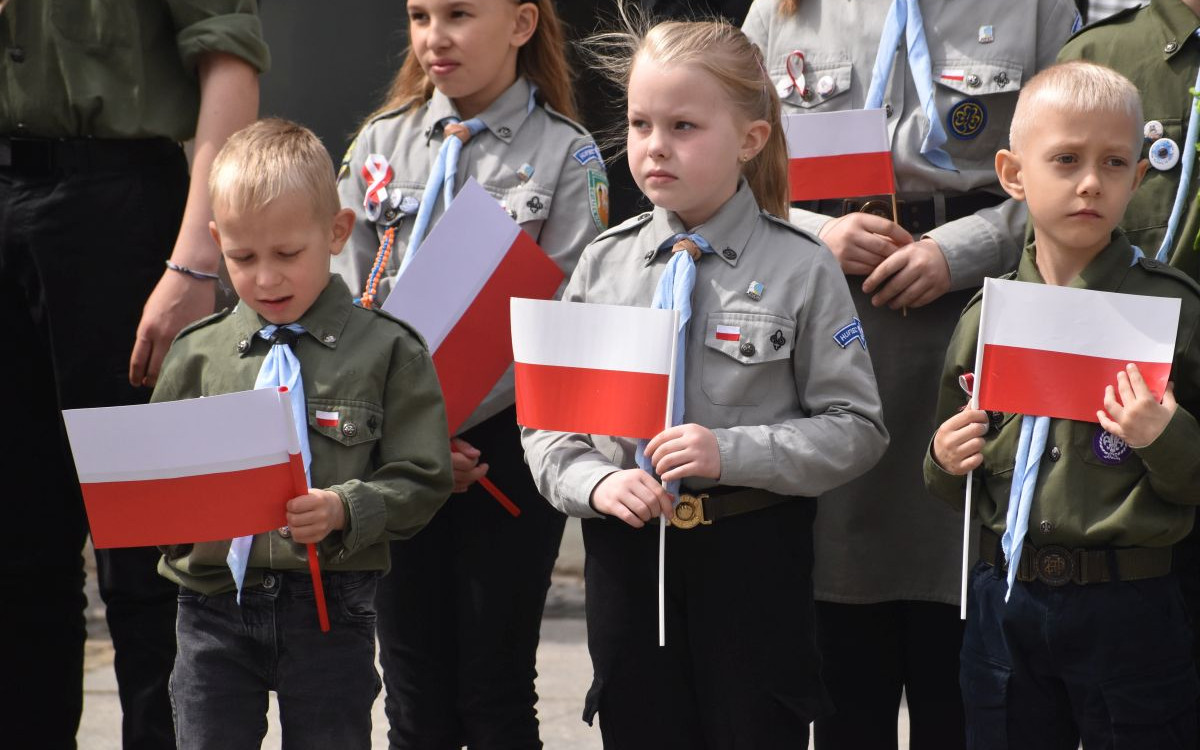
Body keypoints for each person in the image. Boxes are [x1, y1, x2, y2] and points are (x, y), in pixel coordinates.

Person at [521, 15, 889, 748]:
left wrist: (732, 451)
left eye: (683, 125)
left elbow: (858, 429)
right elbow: (547, 425)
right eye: (639, 123)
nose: (654, 145)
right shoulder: (605, 264)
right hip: (628, 559)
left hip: (753, 559)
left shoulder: (801, 266)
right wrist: (593, 481)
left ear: (750, 139)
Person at [741, 2, 1077, 746]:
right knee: (840, 648)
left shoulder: (1035, 9)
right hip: (824, 327)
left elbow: (1086, 175)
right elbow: (728, 170)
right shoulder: (782, 10)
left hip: (974, 330)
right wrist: (818, 229)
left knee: (959, 645)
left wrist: (960, 248)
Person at [331, 1, 605, 746]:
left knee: (494, 689)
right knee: (412, 692)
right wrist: (405, 434)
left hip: (505, 451)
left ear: (521, 24)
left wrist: (442, 424)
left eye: (458, 13)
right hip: (390, 452)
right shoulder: (378, 145)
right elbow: (340, 302)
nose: (433, 36)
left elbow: (570, 314)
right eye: (419, 14)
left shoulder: (566, 154)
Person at [0, 3, 267, 748]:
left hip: (119, 215)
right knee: (14, 557)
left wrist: (195, 260)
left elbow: (231, 63)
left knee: (156, 561)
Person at [151, 118, 453, 748]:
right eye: (242, 258)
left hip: (329, 605)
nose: (266, 278)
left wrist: (348, 507)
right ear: (217, 242)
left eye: (288, 254)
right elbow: (158, 477)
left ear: (337, 232)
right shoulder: (196, 356)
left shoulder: (388, 351)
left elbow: (424, 476)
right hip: (211, 605)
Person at [926, 61, 1200, 749]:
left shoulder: (1172, 313)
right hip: (1006, 598)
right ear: (1015, 175)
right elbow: (951, 467)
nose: (1090, 182)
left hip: (1130, 604)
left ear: (1139, 178)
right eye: (1066, 159)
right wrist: (942, 458)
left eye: (1114, 163)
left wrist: (1163, 436)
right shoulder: (984, 319)